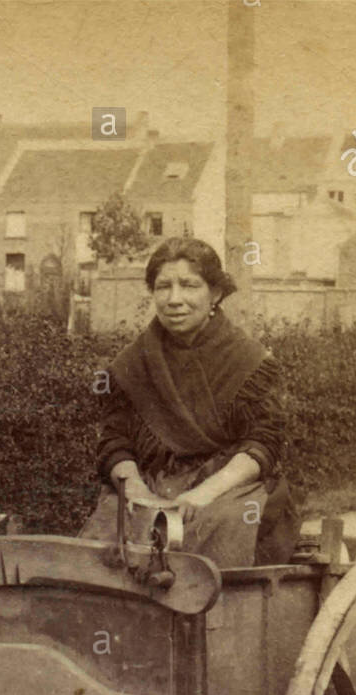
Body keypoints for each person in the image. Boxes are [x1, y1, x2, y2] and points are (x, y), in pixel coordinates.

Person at [79, 237, 299, 568]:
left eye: (189, 286)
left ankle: (210, 618)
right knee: (111, 532)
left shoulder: (250, 363)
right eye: (163, 286)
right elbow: (115, 441)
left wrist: (203, 494)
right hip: (154, 486)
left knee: (213, 531)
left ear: (215, 294)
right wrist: (135, 489)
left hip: (229, 488)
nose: (174, 299)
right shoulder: (131, 365)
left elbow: (263, 443)